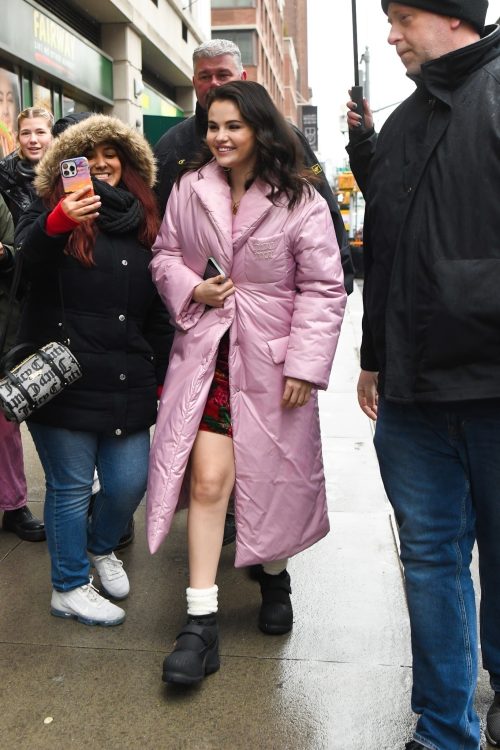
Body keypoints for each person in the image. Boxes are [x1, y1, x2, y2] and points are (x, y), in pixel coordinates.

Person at [147, 80, 347, 685]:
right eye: (213, 126)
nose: (220, 137)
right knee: (208, 481)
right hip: (209, 359)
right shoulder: (189, 187)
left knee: (272, 480)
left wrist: (305, 365)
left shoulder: (301, 198)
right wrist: (194, 288)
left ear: (259, 128)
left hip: (274, 365)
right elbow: (165, 255)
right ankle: (199, 622)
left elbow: (323, 287)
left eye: (233, 125)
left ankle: (275, 579)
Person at [346, 2, 500, 749]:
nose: (391, 33)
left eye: (404, 16)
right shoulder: (404, 122)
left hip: (492, 390)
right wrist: (373, 357)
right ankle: (443, 729)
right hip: (410, 400)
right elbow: (383, 254)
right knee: (430, 561)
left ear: (455, 15)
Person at [154, 38, 352, 548]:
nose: (213, 84)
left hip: (269, 346)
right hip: (203, 338)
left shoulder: (287, 150)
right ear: (194, 83)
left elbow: (323, 250)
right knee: (209, 471)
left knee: (272, 468)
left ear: (242, 77)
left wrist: (308, 355)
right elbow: (160, 240)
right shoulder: (173, 148)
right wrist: (188, 293)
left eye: (223, 74)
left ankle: (273, 567)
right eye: (204, 76)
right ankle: (216, 554)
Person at [14, 114, 171, 626]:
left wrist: (163, 372)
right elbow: (24, 265)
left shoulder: (146, 219)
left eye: (111, 154)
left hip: (126, 375)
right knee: (71, 487)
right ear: (67, 165)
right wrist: (58, 221)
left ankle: (101, 547)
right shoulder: (47, 210)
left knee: (129, 484)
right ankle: (68, 586)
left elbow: (158, 307)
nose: (100, 164)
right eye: (87, 156)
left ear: (128, 163)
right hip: (63, 375)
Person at [0, 107, 54, 542]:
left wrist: (5, 255)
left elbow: (15, 251)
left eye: (40, 132)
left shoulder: (66, 177)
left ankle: (18, 503)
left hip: (30, 306)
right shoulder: (4, 177)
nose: (33, 139)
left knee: (17, 413)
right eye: (26, 132)